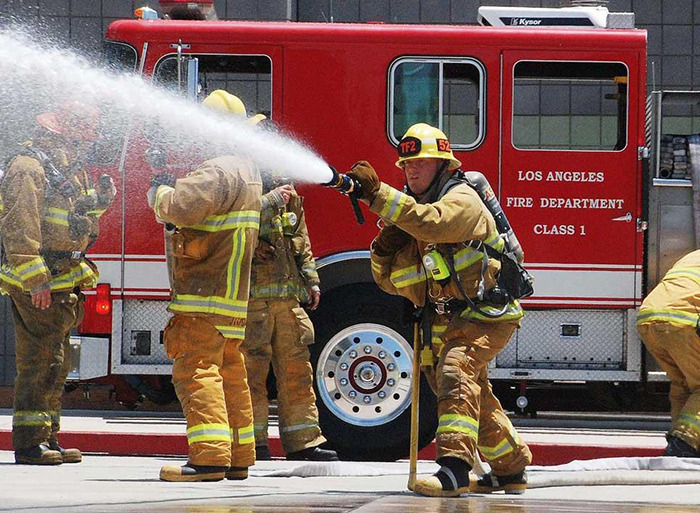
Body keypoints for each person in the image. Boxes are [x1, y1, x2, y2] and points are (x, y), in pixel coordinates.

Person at [345, 123, 532, 497]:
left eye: (421, 163)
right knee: (464, 392)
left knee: (456, 367)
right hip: (449, 317)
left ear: (443, 164)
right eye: (407, 164)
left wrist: (377, 195)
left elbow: (435, 225)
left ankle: (454, 471)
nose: (411, 170)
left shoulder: (462, 199)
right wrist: (385, 246)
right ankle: (510, 468)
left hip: (487, 313)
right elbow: (393, 280)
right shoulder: (419, 213)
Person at [150, 90, 262, 482]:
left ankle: (209, 459)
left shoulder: (217, 171)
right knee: (231, 374)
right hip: (231, 303)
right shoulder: (248, 170)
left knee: (196, 371)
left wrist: (159, 191)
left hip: (204, 298)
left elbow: (179, 206)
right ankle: (239, 455)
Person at [0, 102, 115, 465]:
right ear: (56, 136)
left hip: (63, 279)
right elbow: (20, 230)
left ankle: (49, 437)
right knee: (38, 362)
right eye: (77, 141)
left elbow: (74, 219)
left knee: (57, 362)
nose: (82, 149)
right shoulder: (28, 169)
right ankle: (30, 442)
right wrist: (36, 281)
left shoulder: (65, 169)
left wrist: (101, 201)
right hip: (41, 281)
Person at [240, 146, 338, 461]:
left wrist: (311, 280)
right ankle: (253, 443)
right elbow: (227, 224)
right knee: (251, 372)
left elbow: (300, 235)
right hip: (252, 299)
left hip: (287, 298)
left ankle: (305, 442)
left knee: (297, 371)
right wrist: (268, 202)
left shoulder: (287, 189)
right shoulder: (242, 183)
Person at [637, 250, 700, 458]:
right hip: (683, 320)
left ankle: (681, 445)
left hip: (648, 318)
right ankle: (684, 444)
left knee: (683, 385)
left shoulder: (692, 256)